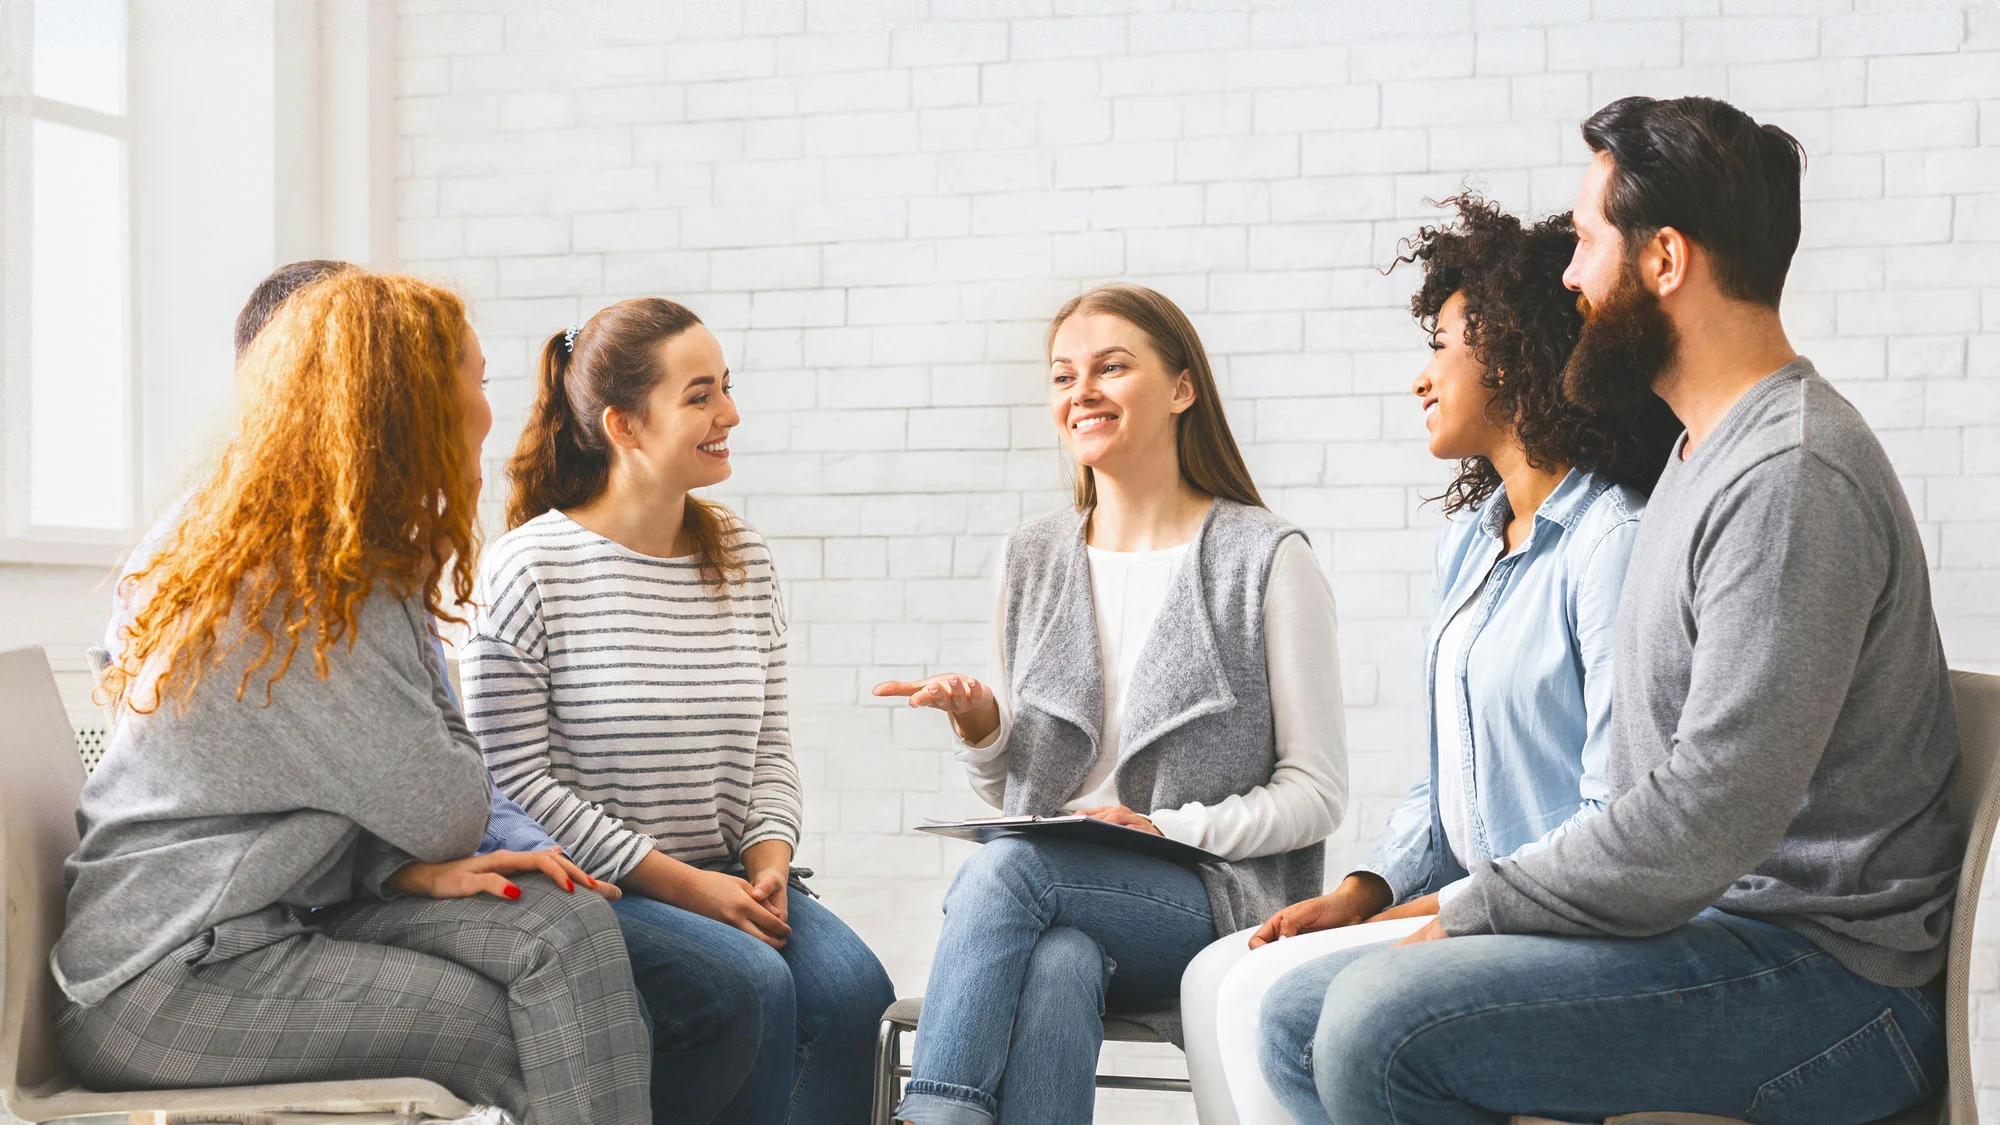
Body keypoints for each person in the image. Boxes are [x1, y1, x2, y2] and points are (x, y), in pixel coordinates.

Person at [1261, 95, 1961, 1125]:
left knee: (1379, 1024)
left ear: (1663, 259)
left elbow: (1702, 817)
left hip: (1828, 988)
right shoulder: (1699, 453)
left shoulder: (1788, 475)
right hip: (1713, 933)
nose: (1568, 277)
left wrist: (1473, 909)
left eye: (1587, 242)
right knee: (1293, 1016)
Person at [98, 263, 764, 1123]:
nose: (493, 410)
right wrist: (421, 842)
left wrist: (409, 858)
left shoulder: (347, 564)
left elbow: (405, 785)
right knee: (539, 1023)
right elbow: (448, 798)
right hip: (175, 977)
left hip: (270, 916)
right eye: (474, 382)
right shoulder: (309, 589)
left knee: (564, 929)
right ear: (404, 406)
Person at [1175, 197, 1683, 1125]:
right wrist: (1366, 890)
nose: (1421, 376)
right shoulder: (1473, 539)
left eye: (1445, 343)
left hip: (1565, 926)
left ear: (1517, 352)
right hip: (1476, 909)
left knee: (1266, 1004)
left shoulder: (1612, 544)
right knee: (1219, 973)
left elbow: (1618, 813)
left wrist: (1433, 916)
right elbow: (1450, 775)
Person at [873, 283, 1348, 1125]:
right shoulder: (1033, 556)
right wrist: (983, 729)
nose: (1080, 391)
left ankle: (934, 1114)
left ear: (1181, 387)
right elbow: (1015, 789)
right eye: (1063, 376)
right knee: (1058, 964)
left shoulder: (1266, 557)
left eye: (1111, 367)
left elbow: (1315, 794)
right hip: (1054, 895)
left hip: (1210, 898)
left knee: (1009, 869)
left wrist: (1168, 827)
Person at [464, 298, 896, 1125]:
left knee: (856, 994)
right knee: (757, 982)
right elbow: (507, 778)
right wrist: (687, 886)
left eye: (725, 388)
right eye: (700, 396)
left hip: (731, 878)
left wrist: (769, 858)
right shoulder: (530, 567)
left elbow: (769, 737)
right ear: (625, 425)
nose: (729, 414)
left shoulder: (743, 556)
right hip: (600, 891)